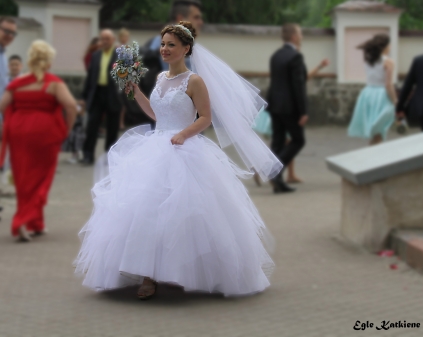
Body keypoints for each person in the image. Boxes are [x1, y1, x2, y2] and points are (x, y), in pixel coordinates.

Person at [74, 22, 282, 300]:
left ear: (186, 49)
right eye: (163, 44)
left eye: (171, 44)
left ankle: (184, 272)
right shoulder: (160, 78)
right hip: (156, 147)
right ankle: (147, 275)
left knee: (187, 215)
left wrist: (184, 134)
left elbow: (205, 117)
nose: (165, 49)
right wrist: (136, 91)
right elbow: (156, 114)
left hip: (185, 148)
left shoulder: (194, 81)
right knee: (146, 211)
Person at [0, 40, 77, 241]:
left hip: (19, 133)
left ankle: (36, 223)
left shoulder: (17, 83)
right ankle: (22, 220)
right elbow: (70, 106)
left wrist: (13, 118)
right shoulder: (54, 83)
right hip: (45, 133)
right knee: (41, 177)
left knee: (24, 177)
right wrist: (67, 128)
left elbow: (2, 105)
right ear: (49, 62)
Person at [253, 57, 329, 185]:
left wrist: (319, 67)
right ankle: (261, 168)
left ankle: (289, 174)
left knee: (286, 144)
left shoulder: (282, 74)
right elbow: (305, 78)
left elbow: (304, 78)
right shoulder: (291, 77)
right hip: (285, 112)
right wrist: (319, 67)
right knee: (286, 144)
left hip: (277, 110)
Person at [266, 23, 308, 194]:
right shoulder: (295, 57)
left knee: (278, 141)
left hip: (275, 104)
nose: (302, 37)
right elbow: (299, 86)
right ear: (294, 37)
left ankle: (278, 183)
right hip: (289, 107)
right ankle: (275, 173)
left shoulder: (276, 55)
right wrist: (303, 111)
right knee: (298, 140)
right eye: (300, 34)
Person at [348, 34, 398, 145]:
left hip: (368, 93)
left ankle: (372, 155)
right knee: (379, 130)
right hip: (381, 96)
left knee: (375, 131)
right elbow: (388, 84)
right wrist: (395, 100)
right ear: (385, 46)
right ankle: (376, 159)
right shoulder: (388, 62)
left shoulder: (368, 60)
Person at [80, 29, 120, 165]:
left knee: (112, 127)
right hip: (97, 93)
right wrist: (84, 96)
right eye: (103, 39)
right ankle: (88, 155)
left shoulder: (120, 55)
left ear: (113, 40)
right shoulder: (96, 55)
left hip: (113, 94)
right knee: (92, 125)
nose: (105, 41)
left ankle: (110, 156)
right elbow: (90, 76)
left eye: (107, 39)